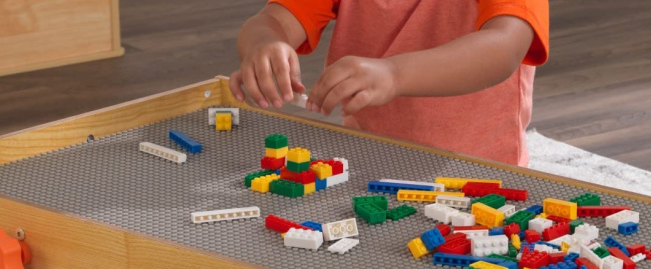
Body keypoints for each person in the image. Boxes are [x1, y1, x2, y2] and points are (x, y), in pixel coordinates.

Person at [231, 0, 550, 166]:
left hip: (478, 171)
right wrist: (263, 44)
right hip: (369, 156)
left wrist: (394, 74)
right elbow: (273, 19)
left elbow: (505, 46)